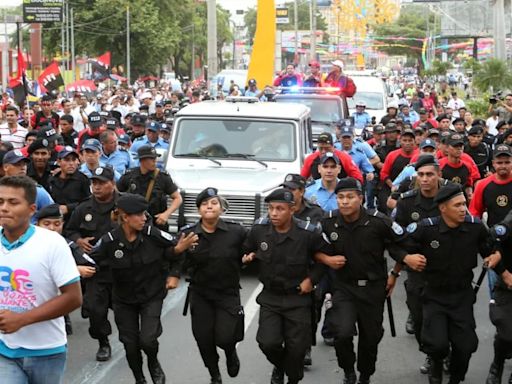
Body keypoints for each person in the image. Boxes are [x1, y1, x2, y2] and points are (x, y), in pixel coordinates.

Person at [314, 177, 425, 384]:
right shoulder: (328, 222)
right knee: (342, 332)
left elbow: (401, 245)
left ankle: (365, 374)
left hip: (373, 289)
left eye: (350, 197)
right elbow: (312, 249)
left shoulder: (379, 221)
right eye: (340, 197)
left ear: (361, 198)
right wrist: (327, 259)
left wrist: (396, 272)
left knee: (371, 336)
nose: (345, 202)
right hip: (343, 287)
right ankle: (348, 370)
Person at [91, 193, 198, 384]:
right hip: (124, 300)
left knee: (148, 340)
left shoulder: (152, 234)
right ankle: (139, 378)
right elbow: (92, 260)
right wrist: (80, 268)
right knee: (130, 344)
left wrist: (174, 273)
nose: (144, 218)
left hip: (151, 295)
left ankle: (153, 363)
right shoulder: (109, 241)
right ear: (125, 217)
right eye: (138, 214)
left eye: (144, 214)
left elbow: (175, 251)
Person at [405, 183, 502, 384]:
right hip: (434, 295)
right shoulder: (426, 229)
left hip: (462, 296)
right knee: (438, 345)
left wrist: (496, 256)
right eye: (457, 205)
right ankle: (436, 366)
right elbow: (403, 247)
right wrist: (408, 258)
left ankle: (456, 379)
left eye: (464, 205)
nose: (462, 209)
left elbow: (489, 250)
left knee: (466, 346)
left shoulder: (475, 227)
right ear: (443, 208)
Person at [0, 175, 82, 384]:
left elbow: (73, 298)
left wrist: (22, 319)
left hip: (46, 351)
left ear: (31, 210)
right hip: (5, 350)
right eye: (0, 202)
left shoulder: (52, 243)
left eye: (13, 202)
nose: (4, 208)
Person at [242, 188, 327, 384]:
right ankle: (281, 366)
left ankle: (293, 376)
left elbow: (324, 260)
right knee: (267, 343)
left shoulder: (308, 233)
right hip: (271, 297)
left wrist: (311, 280)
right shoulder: (259, 230)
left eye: (280, 209)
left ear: (292, 209)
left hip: (298, 298)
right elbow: (245, 251)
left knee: (297, 349)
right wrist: (246, 258)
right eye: (270, 208)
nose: (273, 213)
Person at [180, 188, 247, 384]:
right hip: (201, 294)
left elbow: (251, 248)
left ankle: (230, 352)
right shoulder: (188, 234)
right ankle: (214, 373)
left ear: (222, 208)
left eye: (214, 203)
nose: (209, 206)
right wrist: (179, 253)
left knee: (225, 337)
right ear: (199, 209)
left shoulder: (237, 231)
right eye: (204, 204)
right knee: (203, 339)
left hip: (228, 293)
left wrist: (248, 257)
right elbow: (175, 259)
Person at [64, 166, 120, 362]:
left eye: (101, 183)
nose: (96, 187)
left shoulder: (125, 205)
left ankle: (132, 340)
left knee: (127, 312)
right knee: (96, 312)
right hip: (96, 270)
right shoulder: (83, 208)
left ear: (112, 184)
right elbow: (70, 232)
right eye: (94, 183)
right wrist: (79, 241)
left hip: (122, 270)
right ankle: (103, 342)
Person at [117, 145, 183, 231]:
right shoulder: (129, 176)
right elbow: (116, 193)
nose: (155, 161)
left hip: (156, 224)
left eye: (155, 158)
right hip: (134, 225)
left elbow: (178, 198)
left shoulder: (162, 177)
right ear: (142, 160)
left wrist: (166, 214)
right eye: (151, 159)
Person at [47, 147, 91, 222]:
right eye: (67, 160)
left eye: (73, 160)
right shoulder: (52, 181)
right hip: (56, 220)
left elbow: (89, 203)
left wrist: (68, 208)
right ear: (59, 162)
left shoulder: (83, 179)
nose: (71, 163)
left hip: (77, 221)